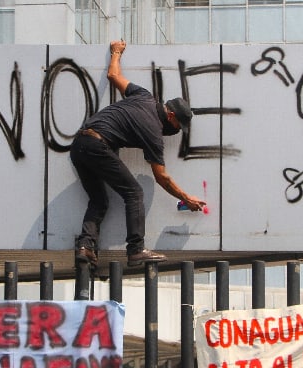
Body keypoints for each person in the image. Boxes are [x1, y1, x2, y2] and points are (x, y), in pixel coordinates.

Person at [70, 39, 206, 268]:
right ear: (171, 115)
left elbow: (113, 76)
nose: (175, 131)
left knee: (99, 200)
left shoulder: (144, 96)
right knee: (134, 193)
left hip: (80, 144)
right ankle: (135, 250)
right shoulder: (154, 131)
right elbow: (161, 177)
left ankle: (86, 247)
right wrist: (186, 198)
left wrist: (116, 51)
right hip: (98, 146)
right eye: (177, 125)